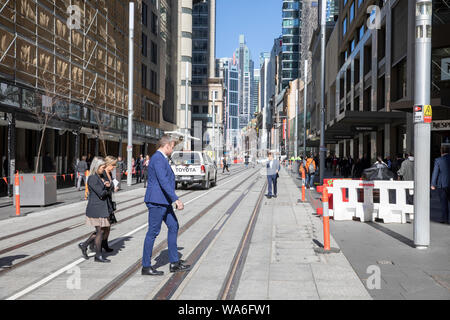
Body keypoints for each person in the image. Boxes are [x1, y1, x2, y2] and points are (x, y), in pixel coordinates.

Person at [142, 135, 190, 275]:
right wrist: (176, 199)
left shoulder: (162, 159)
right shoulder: (157, 158)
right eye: (172, 146)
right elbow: (163, 181)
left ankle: (174, 263)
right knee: (153, 232)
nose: (173, 149)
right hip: (157, 201)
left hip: (163, 201)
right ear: (166, 146)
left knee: (173, 225)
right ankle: (146, 266)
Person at [78, 157, 112, 263]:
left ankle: (84, 245)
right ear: (96, 167)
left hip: (102, 208)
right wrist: (107, 187)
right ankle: (98, 255)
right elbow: (101, 194)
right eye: (102, 167)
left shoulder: (100, 176)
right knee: (100, 231)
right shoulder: (93, 178)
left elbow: (107, 189)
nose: (104, 169)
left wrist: (108, 185)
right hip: (96, 208)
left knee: (99, 231)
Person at [431, 145, 450, 224]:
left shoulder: (438, 160)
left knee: (443, 203)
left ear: (441, 151)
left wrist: (433, 184)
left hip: (442, 185)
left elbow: (435, 173)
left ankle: (445, 219)